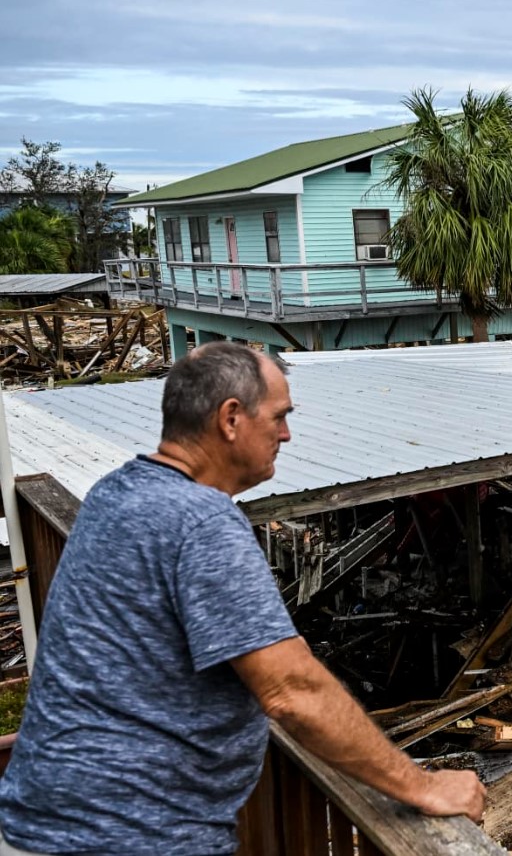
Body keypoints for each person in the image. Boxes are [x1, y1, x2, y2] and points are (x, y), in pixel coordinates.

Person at [0, 342, 485, 855]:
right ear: (231, 418)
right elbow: (292, 690)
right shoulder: (201, 521)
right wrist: (424, 785)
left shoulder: (115, 493)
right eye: (278, 417)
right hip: (127, 835)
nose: (286, 433)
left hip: (43, 818)